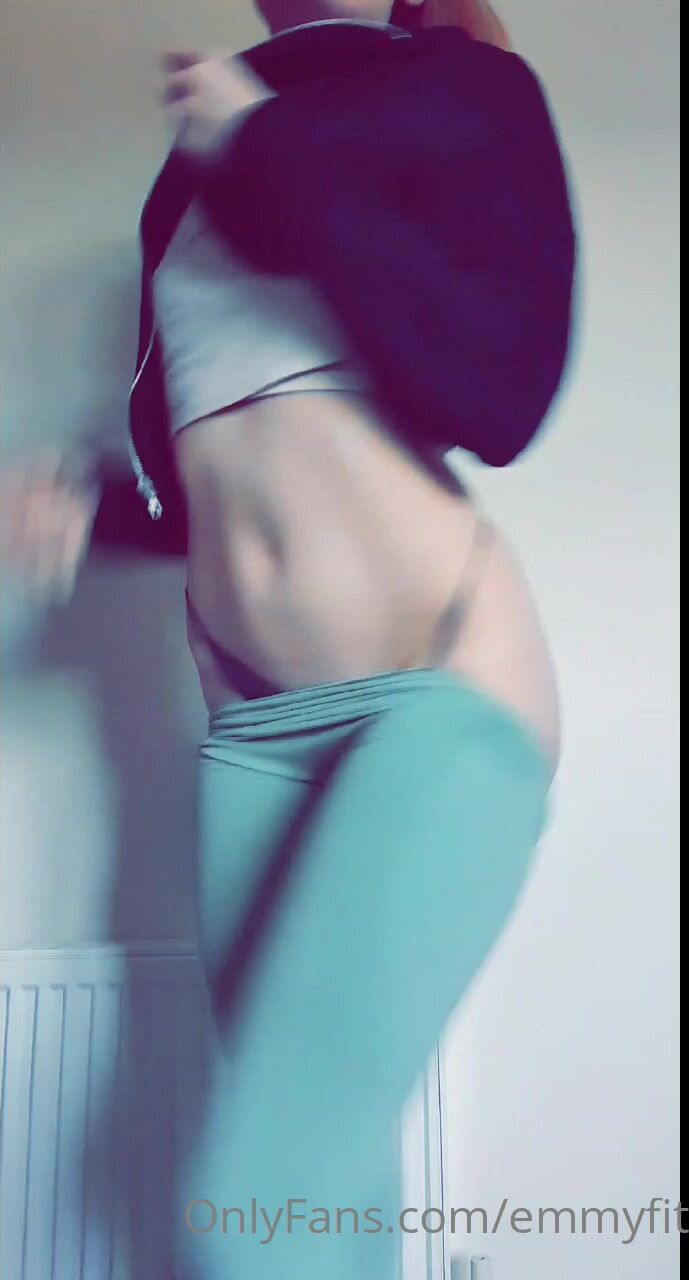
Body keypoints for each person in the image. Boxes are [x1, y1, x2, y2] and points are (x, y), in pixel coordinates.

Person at [2, 2, 576, 1276]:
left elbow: (504, 392)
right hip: (251, 735)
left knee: (252, 1199)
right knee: (324, 1209)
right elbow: (211, 473)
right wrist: (83, 500)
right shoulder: (188, 167)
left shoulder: (462, 88)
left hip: (434, 694)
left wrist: (268, 148)